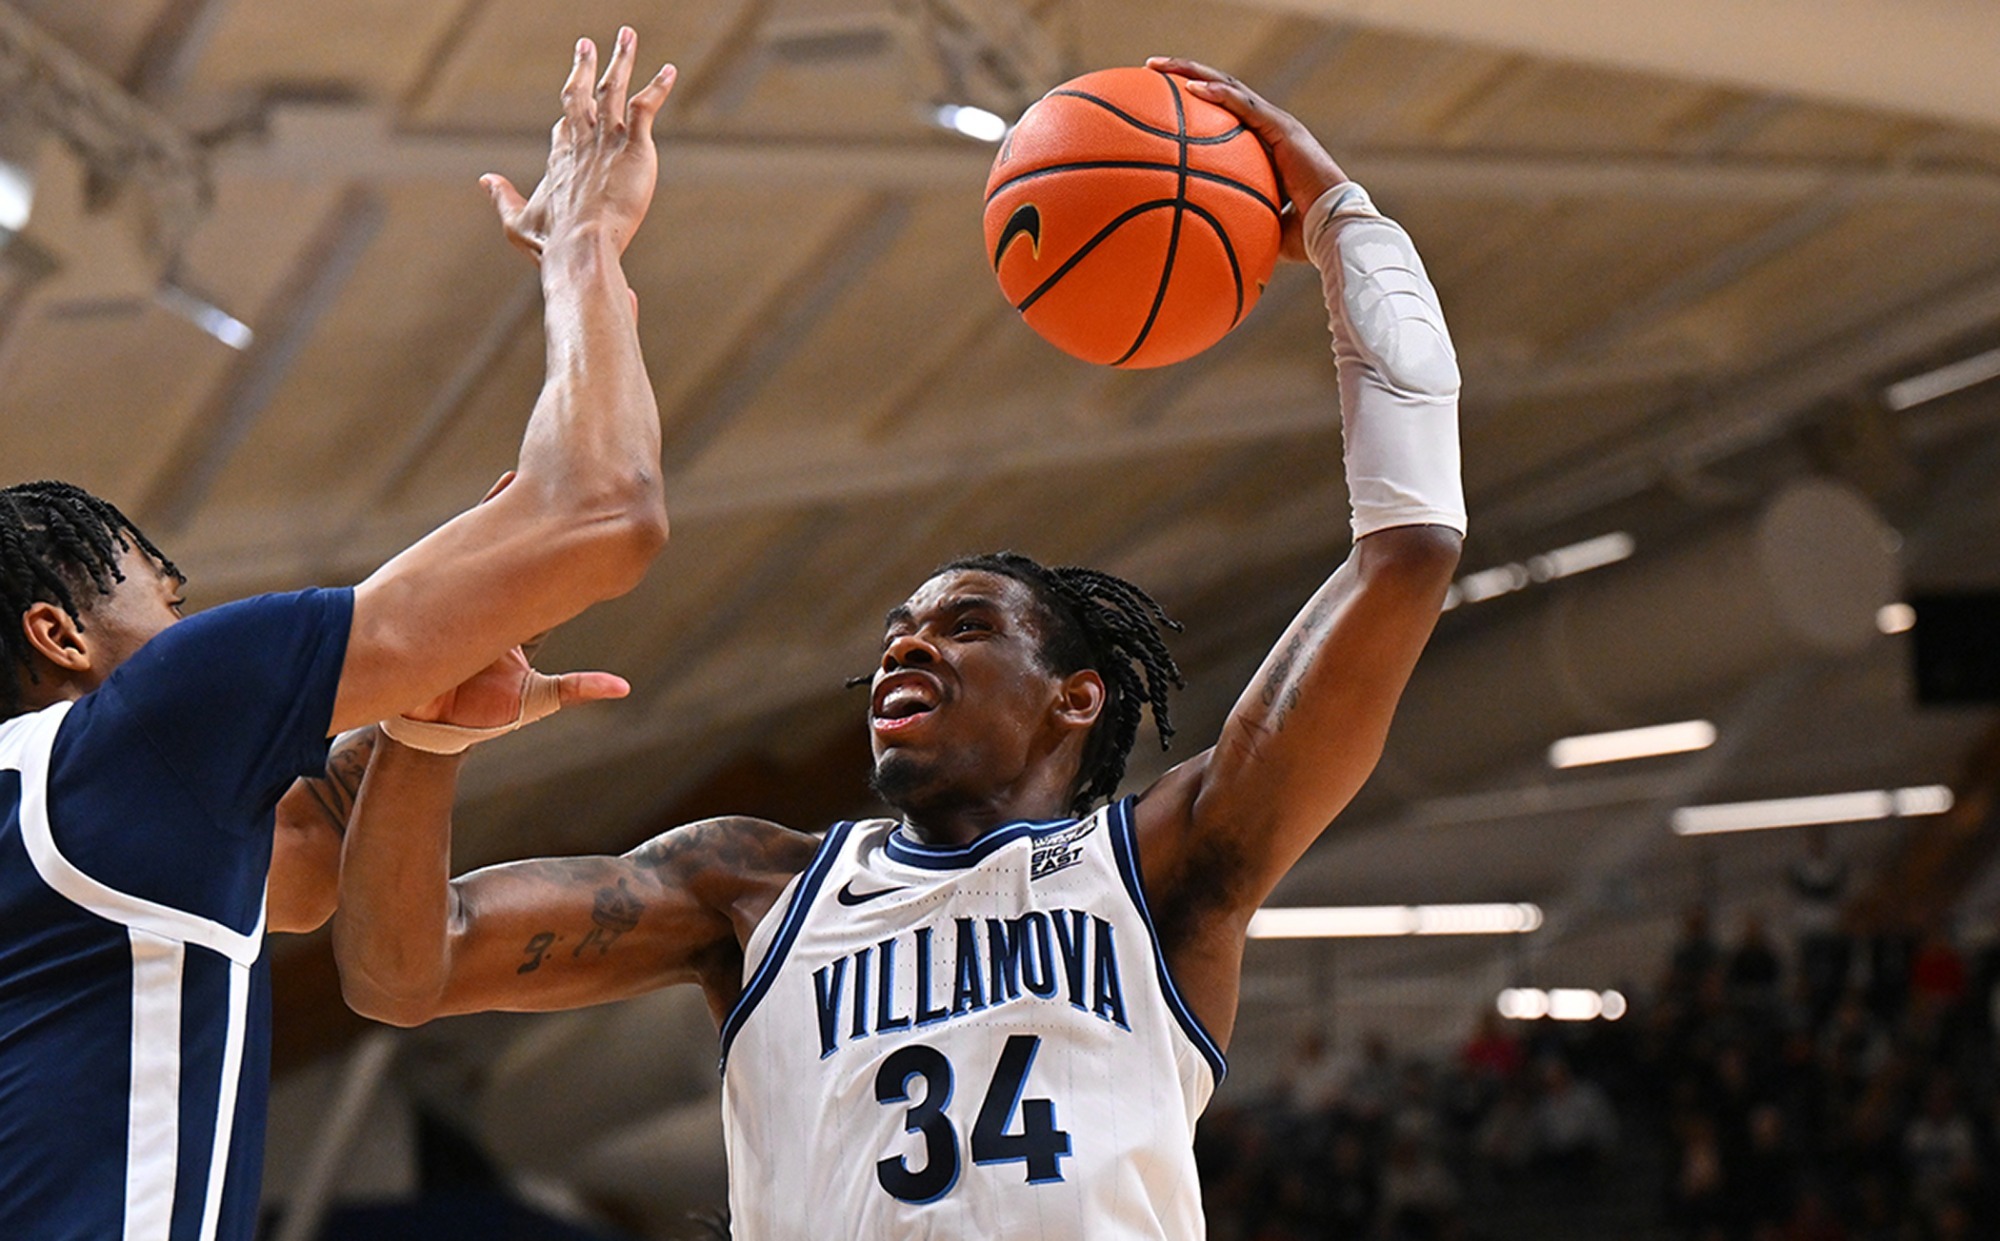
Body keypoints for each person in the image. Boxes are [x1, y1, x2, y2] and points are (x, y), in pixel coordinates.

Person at [333, 56, 1465, 1239]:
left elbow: (1406, 551)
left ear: (1074, 697)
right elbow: (405, 969)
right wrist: (423, 732)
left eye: (964, 625)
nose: (905, 651)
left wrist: (1343, 221)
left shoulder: (1161, 866)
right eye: (895, 636)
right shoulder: (751, 885)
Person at [0, 29, 675, 1240]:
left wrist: (424, 723)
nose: (189, 622)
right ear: (59, 632)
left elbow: (315, 869)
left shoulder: (73, 830)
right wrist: (585, 244)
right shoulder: (143, 730)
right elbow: (602, 513)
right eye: (163, 598)